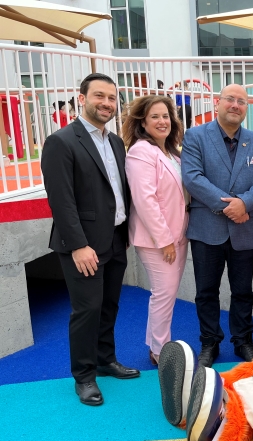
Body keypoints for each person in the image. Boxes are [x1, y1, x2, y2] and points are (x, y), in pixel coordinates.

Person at [41, 73, 140, 407]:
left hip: (114, 238)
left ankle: (105, 359)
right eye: (99, 96)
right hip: (82, 244)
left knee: (109, 304)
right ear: (81, 97)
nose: (107, 103)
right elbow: (61, 201)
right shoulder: (62, 141)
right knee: (87, 309)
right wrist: (79, 245)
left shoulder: (114, 142)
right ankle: (84, 376)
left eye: (112, 98)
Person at [182, 84, 253, 365]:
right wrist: (230, 207)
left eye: (242, 102)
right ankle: (209, 342)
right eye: (230, 100)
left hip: (244, 229)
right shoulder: (195, 136)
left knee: (243, 290)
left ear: (247, 108)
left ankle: (242, 340)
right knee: (206, 292)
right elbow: (192, 177)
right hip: (206, 228)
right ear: (217, 103)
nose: (235, 105)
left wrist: (244, 204)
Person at [123, 95, 189, 365]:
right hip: (158, 241)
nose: (163, 121)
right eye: (155, 117)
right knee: (164, 294)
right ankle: (161, 351)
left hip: (178, 235)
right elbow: (145, 200)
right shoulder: (141, 151)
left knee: (166, 294)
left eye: (166, 116)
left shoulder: (171, 152)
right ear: (143, 121)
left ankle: (155, 343)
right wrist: (165, 241)